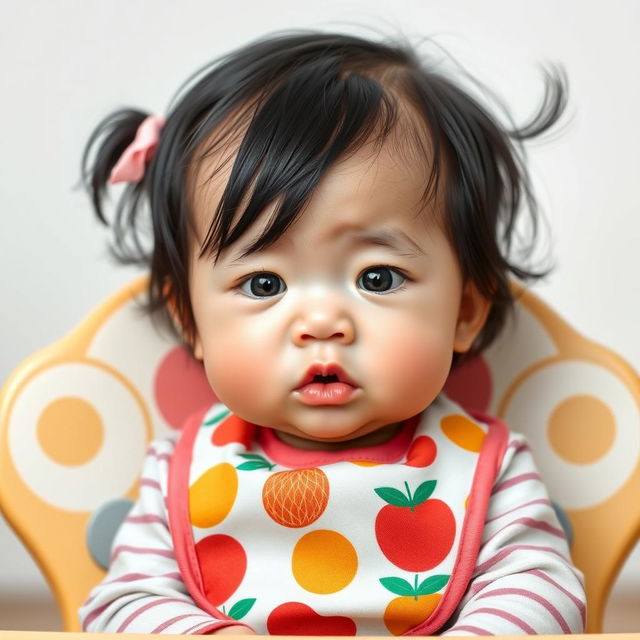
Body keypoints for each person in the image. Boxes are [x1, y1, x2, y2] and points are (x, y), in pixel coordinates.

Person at [78, 31, 586, 635]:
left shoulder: (487, 472)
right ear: (191, 321)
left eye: (377, 276)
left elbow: (543, 596)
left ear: (466, 311)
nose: (322, 323)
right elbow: (121, 607)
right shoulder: (180, 476)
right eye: (264, 284)